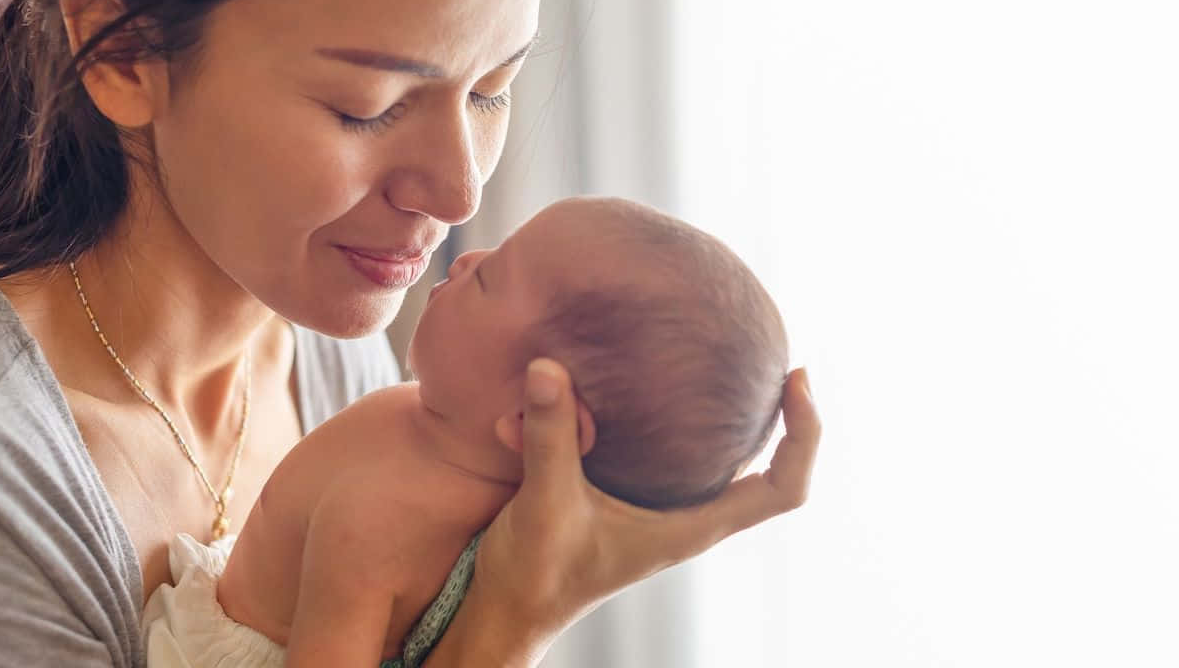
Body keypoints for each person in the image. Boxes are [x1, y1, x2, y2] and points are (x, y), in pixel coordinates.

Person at [0, 0, 821, 667]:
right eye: (368, 106)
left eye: (493, 90)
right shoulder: (3, 478)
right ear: (126, 52)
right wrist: (514, 618)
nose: (460, 193)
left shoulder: (329, 355)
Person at [141, 196, 790, 667]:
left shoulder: (378, 517)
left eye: (488, 277)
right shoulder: (470, 464)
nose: (465, 256)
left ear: (536, 417)